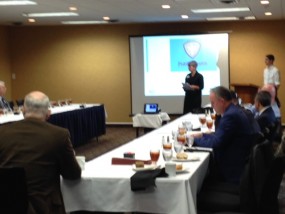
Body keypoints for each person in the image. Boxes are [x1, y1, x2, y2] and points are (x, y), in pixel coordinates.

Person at [0, 91, 81, 214]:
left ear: (23, 111)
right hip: (44, 207)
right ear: (48, 113)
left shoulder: (2, 133)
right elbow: (73, 173)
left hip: (6, 205)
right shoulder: (59, 135)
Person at [193, 86, 258, 184]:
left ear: (222, 101)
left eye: (213, 102)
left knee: (200, 178)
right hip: (239, 162)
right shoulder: (233, 111)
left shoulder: (230, 116)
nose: (212, 106)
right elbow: (220, 136)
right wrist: (202, 135)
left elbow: (216, 142)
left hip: (231, 169)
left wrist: (193, 141)